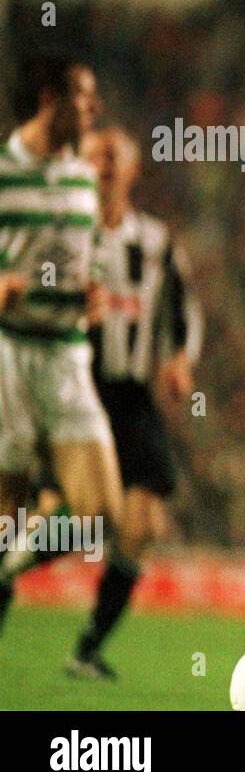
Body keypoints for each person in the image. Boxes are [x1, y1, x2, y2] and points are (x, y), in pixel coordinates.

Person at [0, 126, 204, 677]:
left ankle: (87, 648)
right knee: (57, 516)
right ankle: (9, 567)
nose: (104, 166)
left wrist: (179, 358)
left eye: (115, 157)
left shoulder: (156, 241)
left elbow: (183, 308)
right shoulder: (63, 231)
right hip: (69, 382)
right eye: (95, 156)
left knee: (142, 524)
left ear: (133, 170)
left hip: (130, 396)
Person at [0, 56, 122, 635]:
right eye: (83, 95)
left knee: (99, 512)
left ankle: (9, 567)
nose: (94, 107)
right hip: (9, 354)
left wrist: (94, 292)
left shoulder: (80, 178)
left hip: (67, 357)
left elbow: (87, 254)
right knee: (7, 513)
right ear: (50, 100)